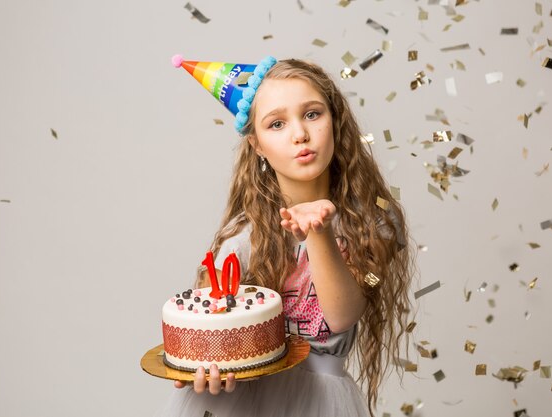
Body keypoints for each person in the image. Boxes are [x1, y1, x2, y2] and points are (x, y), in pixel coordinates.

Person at [156, 56, 414, 417]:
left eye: (312, 114)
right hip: (237, 402)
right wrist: (206, 367)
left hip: (320, 403)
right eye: (276, 123)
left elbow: (342, 316)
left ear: (335, 121)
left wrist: (319, 233)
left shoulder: (372, 222)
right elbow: (208, 331)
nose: (299, 134)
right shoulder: (242, 240)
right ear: (257, 145)